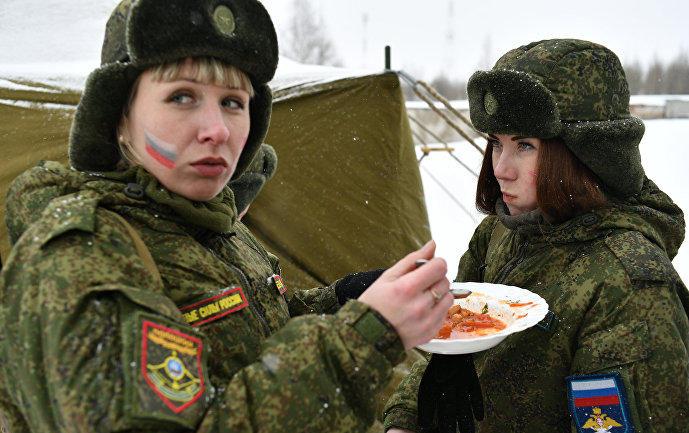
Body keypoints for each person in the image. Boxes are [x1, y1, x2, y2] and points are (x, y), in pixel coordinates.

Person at [0, 0, 454, 431]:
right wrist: (363, 337)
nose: (217, 130)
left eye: (234, 103)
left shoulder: (213, 222)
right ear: (119, 117)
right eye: (182, 97)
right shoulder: (81, 256)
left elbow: (253, 336)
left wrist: (343, 301)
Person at [383, 39, 689, 432]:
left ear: (585, 154)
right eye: (496, 143)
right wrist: (406, 417)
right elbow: (453, 337)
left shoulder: (627, 285)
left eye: (524, 145)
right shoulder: (499, 235)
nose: (501, 169)